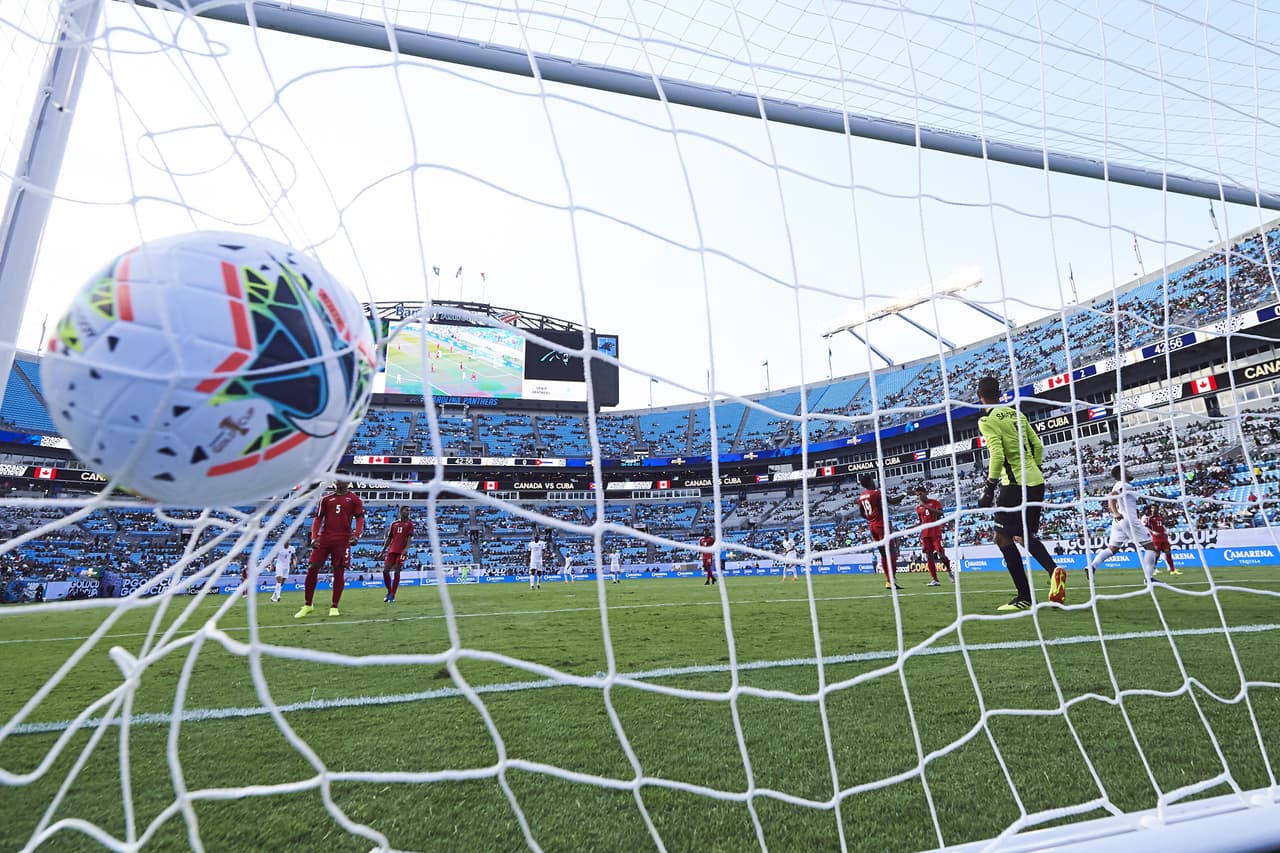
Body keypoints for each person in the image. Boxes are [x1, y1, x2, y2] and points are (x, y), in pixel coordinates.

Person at [975, 377, 1066, 611]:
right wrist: (1032, 469)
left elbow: (997, 454)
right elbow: (1038, 445)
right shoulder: (1018, 414)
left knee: (1001, 538)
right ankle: (1053, 570)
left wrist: (989, 489)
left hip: (1013, 485)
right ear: (1000, 393)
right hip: (1035, 481)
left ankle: (1024, 596)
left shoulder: (987, 420)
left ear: (980, 396)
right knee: (1024, 535)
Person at [295, 479, 365, 619]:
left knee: (338, 571)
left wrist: (356, 535)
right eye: (337, 480)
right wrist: (314, 537)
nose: (339, 483)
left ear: (347, 482)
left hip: (343, 539)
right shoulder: (326, 499)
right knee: (312, 568)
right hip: (325, 538)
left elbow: (360, 519)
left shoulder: (354, 499)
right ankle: (308, 605)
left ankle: (334, 606)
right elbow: (317, 519)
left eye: (342, 480)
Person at [1087, 466, 1161, 583]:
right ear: (1122, 474)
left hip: (1119, 521)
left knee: (1113, 548)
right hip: (1127, 520)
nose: (1129, 472)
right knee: (1151, 548)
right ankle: (1149, 578)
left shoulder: (1121, 485)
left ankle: (1092, 566)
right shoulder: (1123, 485)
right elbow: (1111, 496)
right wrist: (1115, 513)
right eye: (1127, 471)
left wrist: (1116, 515)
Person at [857, 473, 905, 589]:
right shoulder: (876, 493)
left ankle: (889, 580)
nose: (874, 481)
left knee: (883, 554)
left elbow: (862, 514)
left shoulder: (861, 496)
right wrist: (904, 494)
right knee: (892, 552)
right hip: (881, 525)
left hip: (872, 526)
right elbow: (893, 501)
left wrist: (871, 518)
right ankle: (891, 579)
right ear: (869, 481)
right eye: (872, 479)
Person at [914, 485, 953, 586]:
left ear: (925, 493)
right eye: (918, 495)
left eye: (920, 494)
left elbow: (941, 513)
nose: (919, 496)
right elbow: (921, 521)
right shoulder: (918, 508)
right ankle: (935, 579)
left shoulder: (935, 503)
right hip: (925, 534)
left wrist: (927, 507)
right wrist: (912, 527)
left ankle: (949, 571)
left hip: (935, 532)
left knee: (941, 554)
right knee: (929, 557)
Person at [380, 506, 415, 603]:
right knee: (385, 571)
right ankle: (389, 591)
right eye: (406, 510)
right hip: (392, 550)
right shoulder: (394, 524)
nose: (408, 512)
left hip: (401, 551)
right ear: (401, 512)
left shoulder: (409, 524)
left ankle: (392, 594)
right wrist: (382, 551)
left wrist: (406, 549)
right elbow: (389, 538)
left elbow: (409, 538)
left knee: (397, 570)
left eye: (409, 510)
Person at [1143, 503, 1181, 576]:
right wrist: (1153, 532)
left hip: (1163, 537)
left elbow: (1162, 526)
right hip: (1155, 538)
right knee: (1157, 554)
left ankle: (1172, 570)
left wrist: (1166, 532)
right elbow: (1146, 527)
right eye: (1152, 508)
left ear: (1157, 509)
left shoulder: (1160, 517)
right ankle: (1153, 569)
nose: (1153, 510)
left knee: (1168, 552)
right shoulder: (1149, 518)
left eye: (1154, 508)